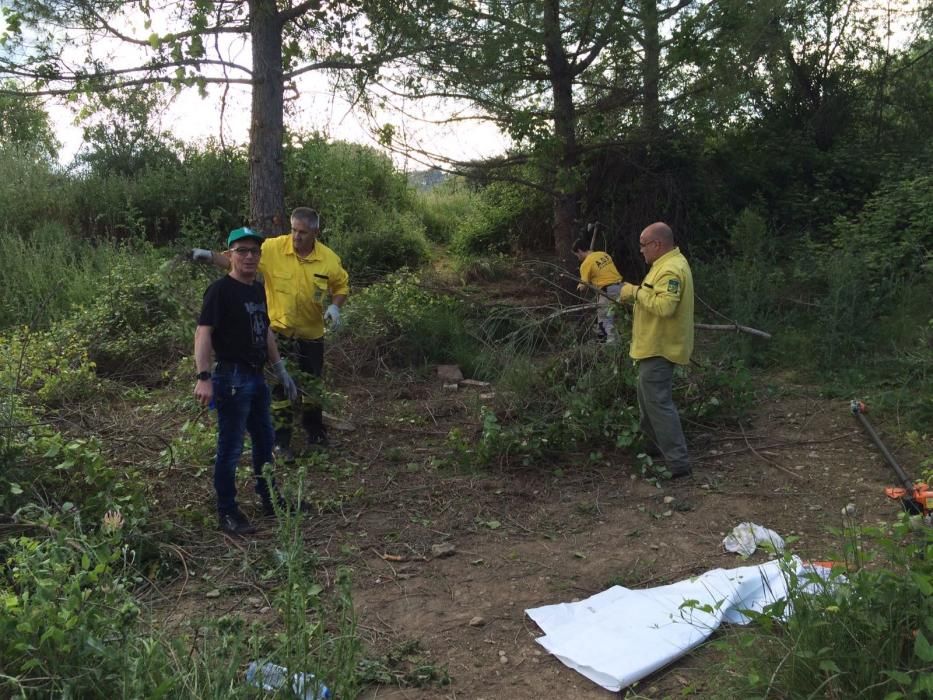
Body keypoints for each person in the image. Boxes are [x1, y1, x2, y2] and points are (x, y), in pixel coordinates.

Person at [193, 207, 349, 460]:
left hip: (312, 334)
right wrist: (208, 256)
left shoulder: (329, 259)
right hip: (279, 332)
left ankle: (315, 432)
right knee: (280, 389)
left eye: (303, 232)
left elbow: (341, 286)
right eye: (293, 230)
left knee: (312, 387)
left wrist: (335, 306)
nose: (296, 237)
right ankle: (282, 440)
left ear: (316, 232)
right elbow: (235, 258)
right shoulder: (274, 249)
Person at [194, 227, 299, 536]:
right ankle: (227, 512)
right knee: (230, 446)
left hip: (256, 377)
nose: (249, 256)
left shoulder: (257, 288)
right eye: (242, 251)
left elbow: (264, 330)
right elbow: (203, 333)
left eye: (254, 251)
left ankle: (270, 499)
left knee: (265, 442)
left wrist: (280, 368)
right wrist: (203, 377)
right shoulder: (220, 291)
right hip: (231, 378)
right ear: (230, 255)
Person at [618, 222, 694, 478]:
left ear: (657, 244)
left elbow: (665, 307)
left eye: (643, 245)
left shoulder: (671, 269)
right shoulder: (663, 266)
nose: (641, 250)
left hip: (661, 348)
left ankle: (678, 463)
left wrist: (634, 292)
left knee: (658, 404)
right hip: (651, 346)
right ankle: (651, 449)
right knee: (647, 401)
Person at [572, 239, 624, 343]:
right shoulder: (603, 254)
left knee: (604, 317)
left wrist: (578, 287)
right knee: (616, 316)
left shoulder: (586, 263)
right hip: (622, 287)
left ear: (580, 251)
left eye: (577, 255)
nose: (578, 257)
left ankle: (611, 345)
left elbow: (584, 285)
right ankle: (609, 340)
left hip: (608, 290)